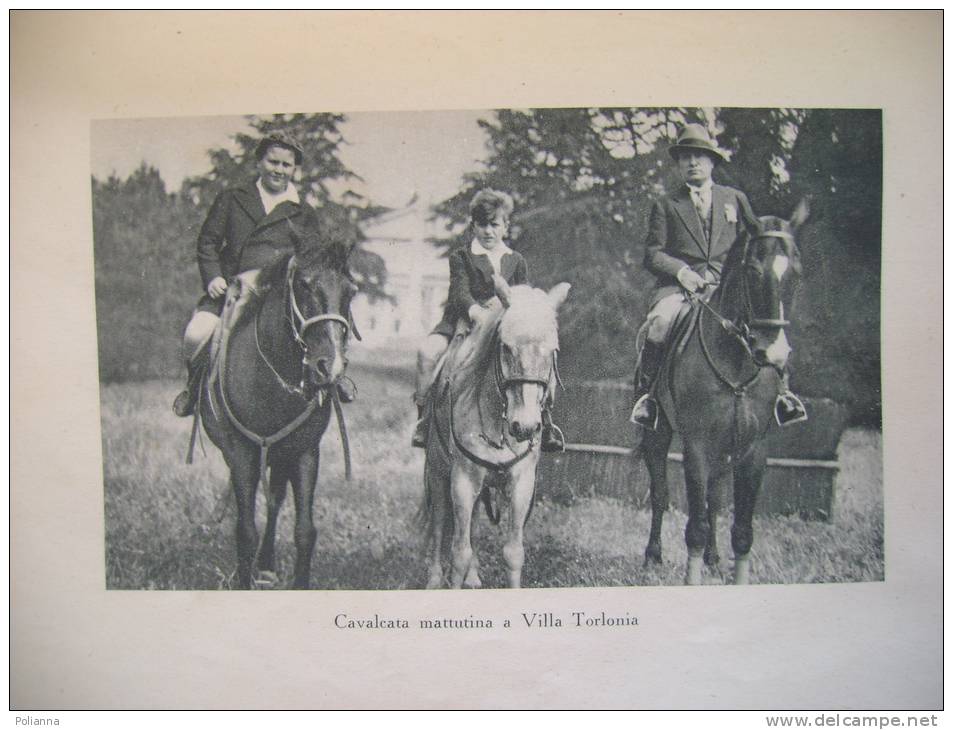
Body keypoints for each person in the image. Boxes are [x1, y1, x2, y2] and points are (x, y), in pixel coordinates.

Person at [630, 123, 807, 429]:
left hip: (726, 288)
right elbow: (653, 254)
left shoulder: (735, 199)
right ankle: (649, 399)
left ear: (712, 161)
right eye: (685, 157)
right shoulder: (666, 204)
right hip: (679, 289)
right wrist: (682, 273)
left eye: (699, 156)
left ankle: (783, 394)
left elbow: (755, 238)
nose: (692, 162)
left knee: (767, 321)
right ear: (679, 164)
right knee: (659, 322)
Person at [172, 130, 354, 416]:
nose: (279, 170)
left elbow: (314, 260)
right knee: (197, 332)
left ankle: (332, 380)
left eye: (286, 165)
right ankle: (193, 392)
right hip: (233, 289)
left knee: (322, 331)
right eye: (273, 162)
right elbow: (207, 242)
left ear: (294, 170)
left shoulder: (304, 212)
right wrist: (213, 278)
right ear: (259, 162)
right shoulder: (232, 199)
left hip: (279, 296)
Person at [412, 188, 564, 451]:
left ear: (505, 226)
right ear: (473, 226)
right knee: (427, 353)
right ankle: (425, 420)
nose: (488, 232)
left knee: (534, 360)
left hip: (503, 326)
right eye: (481, 225)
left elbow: (522, 296)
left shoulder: (516, 260)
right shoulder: (462, 256)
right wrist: (476, 312)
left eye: (494, 225)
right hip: (463, 322)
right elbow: (459, 292)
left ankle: (546, 422)